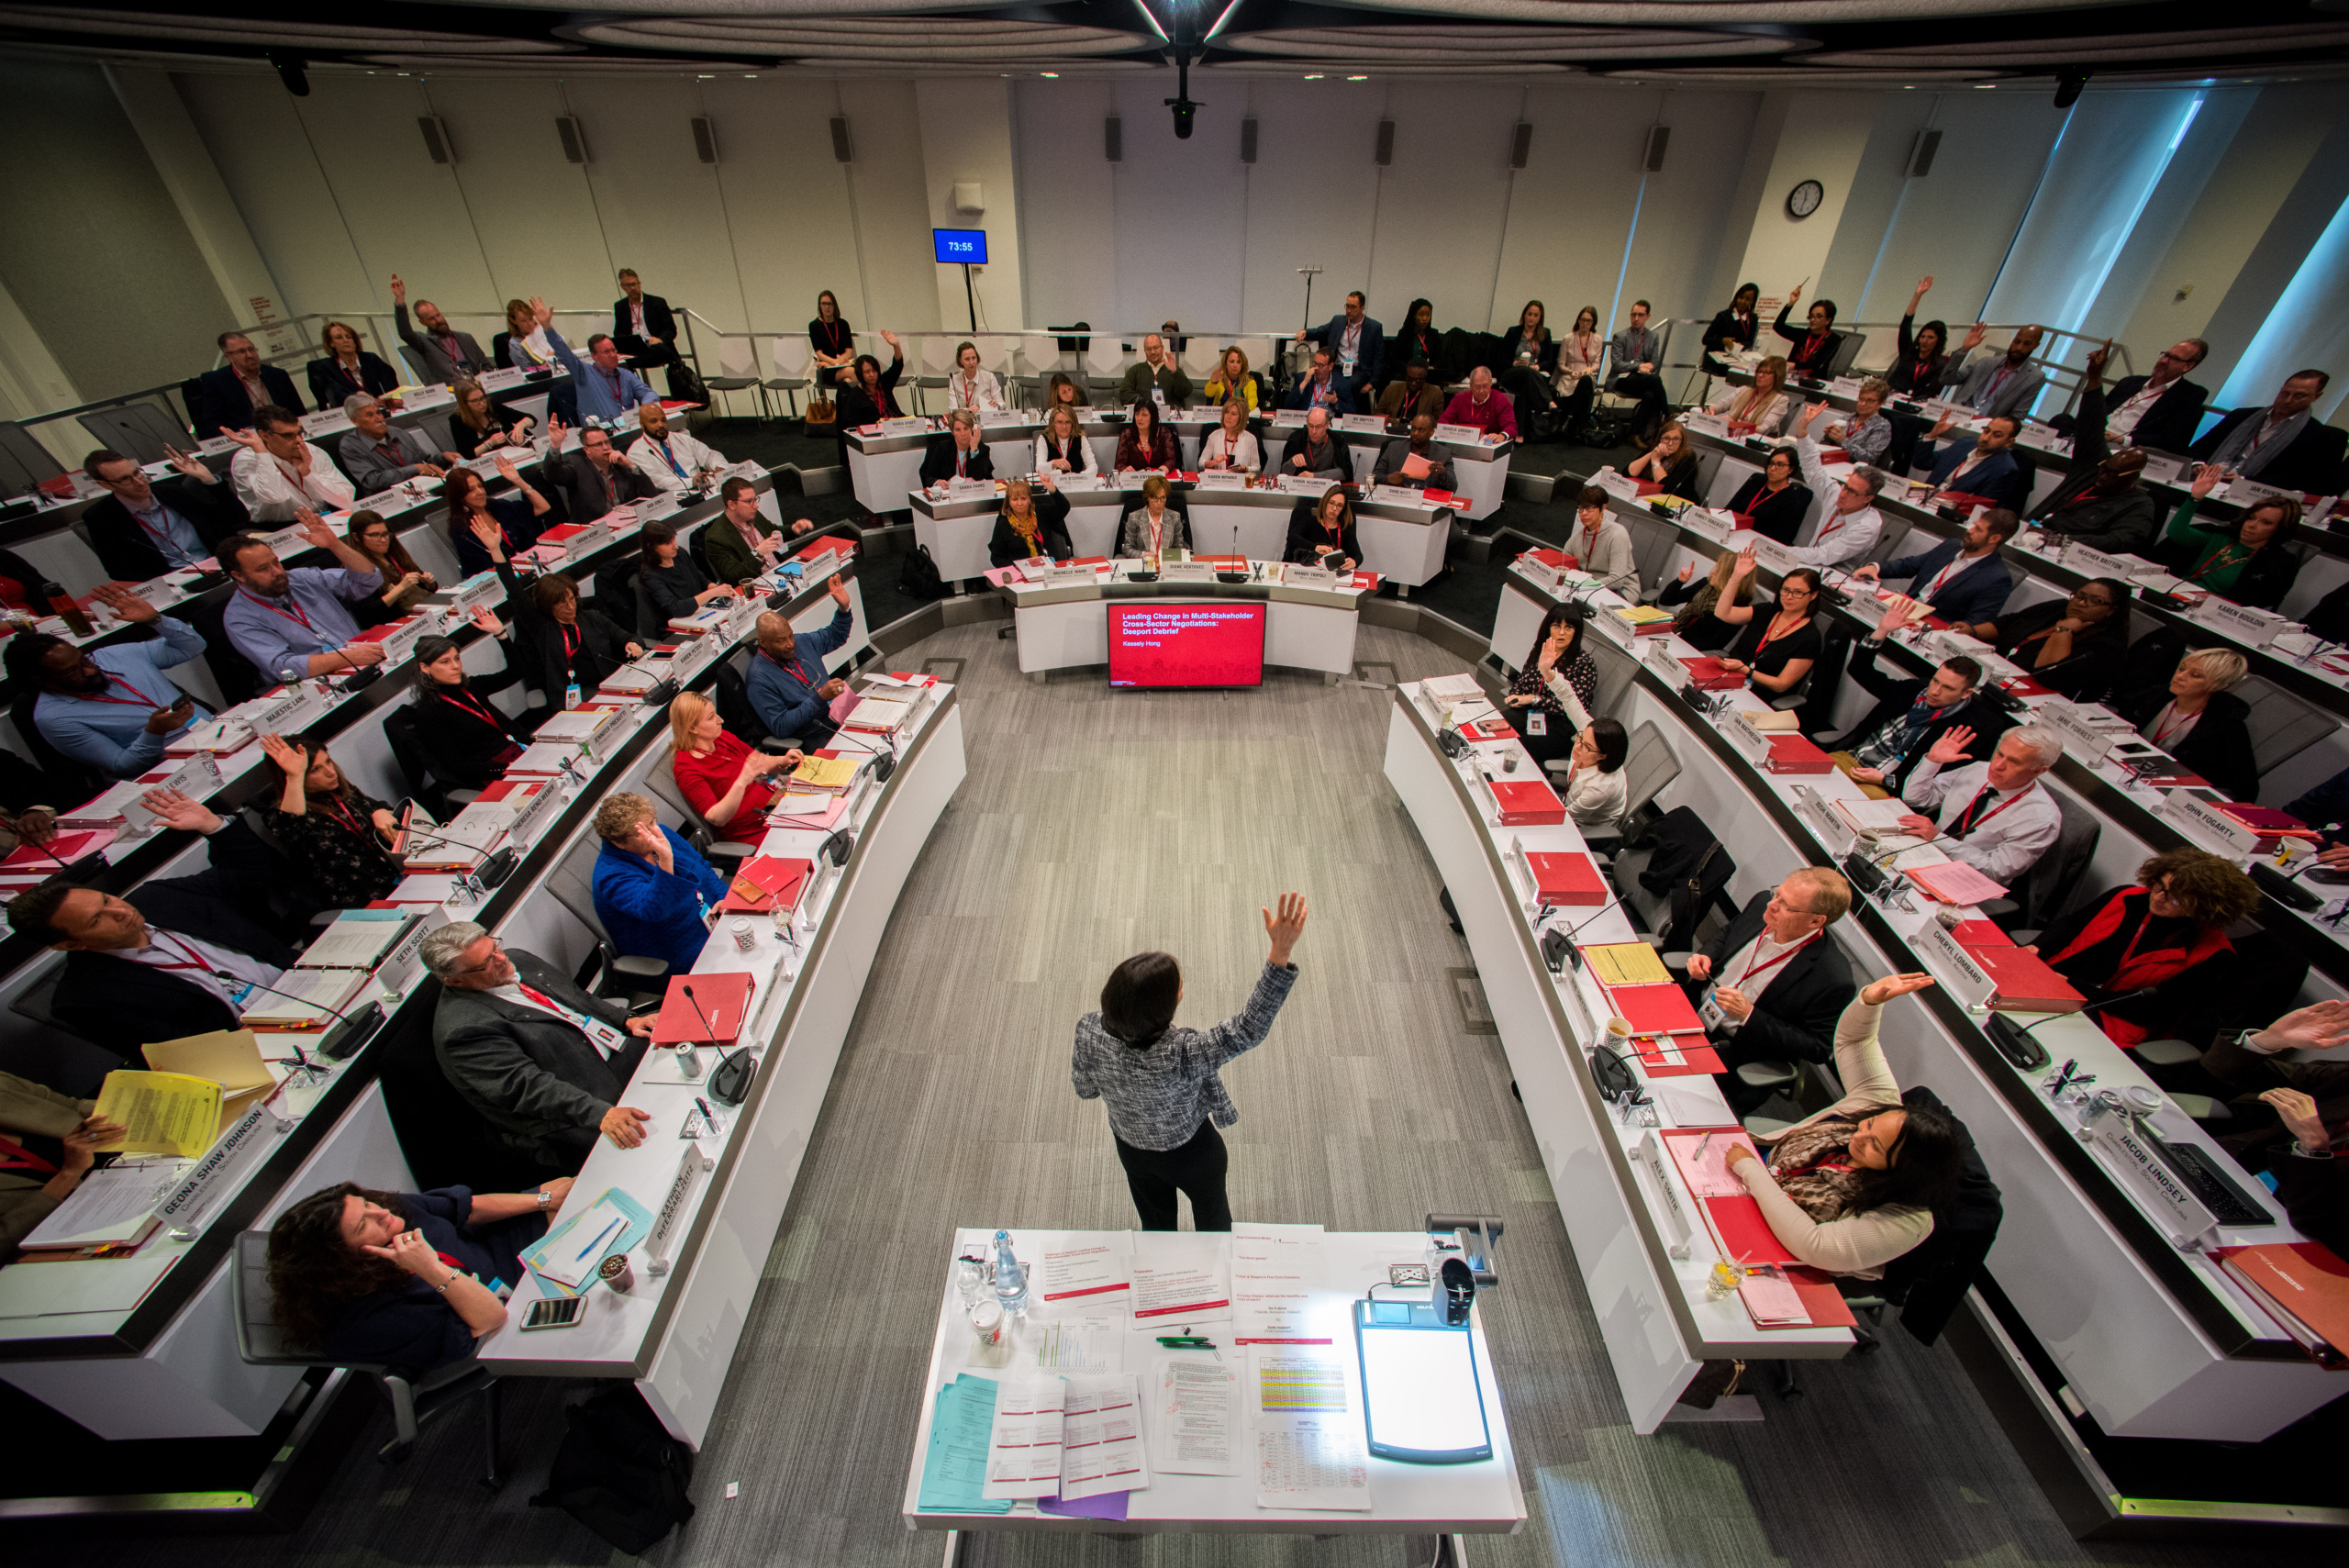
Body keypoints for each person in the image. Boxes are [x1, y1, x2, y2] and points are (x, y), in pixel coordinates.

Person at [1072, 893, 1308, 1231]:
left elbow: (1085, 1090)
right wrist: (1280, 952)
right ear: (1172, 1004)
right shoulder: (1185, 1052)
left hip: (1133, 1152)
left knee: (1156, 1226)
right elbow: (1248, 1028)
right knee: (1212, 1222)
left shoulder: (1088, 1030)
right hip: (1193, 1154)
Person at [6, 788, 303, 1051]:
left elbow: (249, 874)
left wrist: (212, 826)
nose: (121, 912)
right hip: (258, 1043)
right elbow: (184, 1052)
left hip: (302, 979)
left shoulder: (155, 898)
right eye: (97, 920)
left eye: (107, 900)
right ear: (71, 943)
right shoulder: (85, 1000)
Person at [1723, 974, 1965, 1274]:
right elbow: (1855, 1041)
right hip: (1741, 1177)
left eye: (1875, 1145)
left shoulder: (1909, 1218)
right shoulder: (1877, 1100)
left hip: (1776, 1253)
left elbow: (1816, 1246)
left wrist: (1750, 1170)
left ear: (1902, 1169)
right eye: (1869, 1125)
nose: (1860, 1135)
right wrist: (1869, 1001)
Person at [424, 922, 658, 1173]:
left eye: (495, 948)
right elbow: (531, 1089)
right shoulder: (463, 1030)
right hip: (581, 1102)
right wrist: (600, 1113)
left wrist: (626, 1019)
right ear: (456, 980)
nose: (501, 959)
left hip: (614, 1048)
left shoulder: (517, 958)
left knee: (690, 1044)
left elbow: (578, 998)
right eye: (487, 962)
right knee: (655, 1144)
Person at [264, 1179, 562, 1371]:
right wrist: (430, 1268)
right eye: (362, 1225)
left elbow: (466, 1209)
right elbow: (491, 1318)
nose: (379, 1212)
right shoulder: (365, 1319)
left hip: (491, 1243)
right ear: (342, 1261)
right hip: (497, 1305)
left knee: (570, 1187)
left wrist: (544, 1199)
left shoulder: (388, 1212)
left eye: (366, 1204)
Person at [2028, 848, 2258, 1049]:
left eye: (2175, 899)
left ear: (2203, 908)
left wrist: (2073, 986)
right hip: (2052, 982)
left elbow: (2153, 1011)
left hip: (2110, 1016)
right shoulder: (2127, 896)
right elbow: (2068, 926)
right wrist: (2036, 948)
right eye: (2159, 885)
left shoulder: (2213, 953)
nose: (2158, 897)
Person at [1685, 869, 1859, 1113]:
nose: (1772, 904)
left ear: (1816, 921)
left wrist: (1748, 1015)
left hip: (1733, 1052)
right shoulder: (1761, 907)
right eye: (1777, 893)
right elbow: (1726, 933)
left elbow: (1818, 1047)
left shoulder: (1832, 978)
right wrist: (1706, 955)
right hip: (1691, 1011)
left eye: (1786, 904)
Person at [14, 587, 209, 779]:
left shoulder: (113, 655)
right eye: (73, 672)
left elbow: (193, 647)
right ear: (43, 681)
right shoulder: (55, 719)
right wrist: (154, 732)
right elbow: (124, 767)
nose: (90, 670)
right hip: (176, 770)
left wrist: (155, 620)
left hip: (216, 733)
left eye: (84, 660)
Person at [219, 518, 388, 684]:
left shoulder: (301, 578)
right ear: (238, 575)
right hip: (321, 682)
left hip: (366, 657)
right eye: (263, 569)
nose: (278, 572)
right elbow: (284, 668)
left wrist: (334, 544)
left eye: (276, 562)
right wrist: (348, 657)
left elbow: (369, 581)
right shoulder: (239, 617)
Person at [1897, 725, 2065, 884]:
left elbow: (1994, 872)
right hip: (1925, 851)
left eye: (2013, 762)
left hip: (1967, 879)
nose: (1997, 766)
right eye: (1999, 754)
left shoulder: (2041, 819)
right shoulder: (1978, 770)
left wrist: (1938, 838)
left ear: (2038, 771)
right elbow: (1916, 799)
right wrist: (1932, 761)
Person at [2029, 349, 2156, 553]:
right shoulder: (2089, 470)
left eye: (2111, 474)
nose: (2102, 476)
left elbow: (2121, 541)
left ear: (2132, 478)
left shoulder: (2139, 505)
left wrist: (2063, 541)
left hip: (2065, 549)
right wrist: (2094, 377)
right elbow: (2091, 424)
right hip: (2031, 531)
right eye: (2103, 468)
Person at [257, 734, 403, 908]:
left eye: (328, 761)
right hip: (363, 899)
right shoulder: (278, 816)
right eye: (315, 770)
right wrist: (294, 776)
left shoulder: (336, 790)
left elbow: (375, 806)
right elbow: (291, 827)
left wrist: (380, 811)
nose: (330, 771)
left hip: (398, 874)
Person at [590, 793, 728, 976]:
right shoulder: (610, 875)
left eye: (652, 823)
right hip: (677, 948)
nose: (654, 833)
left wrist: (724, 897)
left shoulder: (661, 833)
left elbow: (702, 867)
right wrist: (665, 861)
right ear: (619, 842)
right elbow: (655, 910)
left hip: (714, 919)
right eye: (642, 832)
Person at [1833, 653, 2008, 797]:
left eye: (1948, 688)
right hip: (1850, 759)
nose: (1934, 691)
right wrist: (1880, 633)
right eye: (1935, 681)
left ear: (1966, 693)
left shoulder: (1968, 728)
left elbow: (1938, 784)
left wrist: (1884, 780)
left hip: (1886, 786)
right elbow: (1861, 672)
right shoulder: (1913, 690)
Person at [0, 1074, 126, 1261]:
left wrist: (119, 1116)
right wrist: (69, 1174)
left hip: (125, 1163)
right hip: (74, 1230)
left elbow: (74, 1106)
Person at [78, 445, 246, 580]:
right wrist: (168, 583)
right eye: (125, 479)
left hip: (218, 568)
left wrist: (209, 479)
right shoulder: (101, 517)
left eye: (137, 473)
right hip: (175, 582)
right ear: (105, 485)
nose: (139, 482)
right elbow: (119, 570)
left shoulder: (172, 493)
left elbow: (236, 518)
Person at [2117, 647, 2258, 799]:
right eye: (2182, 668)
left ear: (2217, 685)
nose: (2180, 676)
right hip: (2124, 771)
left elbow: (2244, 789)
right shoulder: (2154, 696)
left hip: (2170, 795)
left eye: (2195, 675)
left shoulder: (2227, 727)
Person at [1958, 578, 2132, 701]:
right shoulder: (2059, 608)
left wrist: (2063, 631)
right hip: (1991, 677)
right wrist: (1972, 630)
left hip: (2024, 703)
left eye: (2095, 601)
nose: (2081, 603)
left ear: (2112, 611)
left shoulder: (2107, 649)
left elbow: (2049, 675)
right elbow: (2008, 622)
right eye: (2080, 596)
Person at [1850, 506, 2020, 630]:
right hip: (1900, 613)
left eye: (1978, 529)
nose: (1969, 530)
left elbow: (1974, 624)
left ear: (1994, 538)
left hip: (1928, 629)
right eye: (1974, 524)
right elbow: (1911, 565)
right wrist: (1877, 568)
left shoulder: (1997, 578)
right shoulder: (1952, 545)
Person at [406, 628, 531, 790]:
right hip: (491, 772)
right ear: (425, 668)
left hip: (518, 751)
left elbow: (516, 672)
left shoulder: (471, 686)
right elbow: (458, 766)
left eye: (457, 659)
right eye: (445, 662)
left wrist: (501, 634)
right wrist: (505, 768)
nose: (455, 666)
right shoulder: (429, 712)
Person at [668, 691, 799, 845]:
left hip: (774, 808)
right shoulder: (687, 769)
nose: (720, 720)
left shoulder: (722, 737)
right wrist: (742, 781)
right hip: (751, 831)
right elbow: (716, 818)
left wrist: (783, 760)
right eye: (711, 718)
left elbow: (760, 761)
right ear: (692, 728)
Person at [501, 560, 640, 702]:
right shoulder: (543, 628)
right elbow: (516, 593)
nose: (570, 607)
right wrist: (496, 552)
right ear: (548, 605)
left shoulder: (591, 617)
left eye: (572, 599)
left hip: (609, 683)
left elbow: (628, 637)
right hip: (574, 695)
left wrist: (632, 644)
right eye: (562, 603)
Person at [2161, 471, 2302, 611]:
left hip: (2214, 611)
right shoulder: (2222, 537)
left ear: (2280, 529)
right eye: (2252, 517)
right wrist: (2195, 499)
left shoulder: (2276, 563)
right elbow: (2176, 533)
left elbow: (2256, 601)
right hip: (2175, 594)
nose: (2252, 525)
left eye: (2266, 523)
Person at [2189, 370, 2343, 495]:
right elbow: (2199, 447)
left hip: (2253, 495)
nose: (2288, 400)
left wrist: (2244, 480)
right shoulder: (2242, 416)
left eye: (2299, 396)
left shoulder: (2317, 435)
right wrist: (2198, 463)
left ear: (2316, 396)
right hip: (2205, 481)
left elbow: (2296, 479)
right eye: (2285, 393)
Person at [746, 575, 855, 744]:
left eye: (790, 636)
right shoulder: (758, 679)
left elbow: (835, 636)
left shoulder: (801, 641)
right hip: (815, 733)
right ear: (763, 643)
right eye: (781, 641)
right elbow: (780, 726)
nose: (790, 644)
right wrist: (819, 698)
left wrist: (844, 608)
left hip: (839, 713)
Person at [1502, 603, 1598, 769]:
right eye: (1556, 626)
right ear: (1548, 627)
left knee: (1519, 747)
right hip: (1530, 712)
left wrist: (1533, 699)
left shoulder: (1584, 663)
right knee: (1496, 729)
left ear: (1577, 631)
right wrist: (1516, 695)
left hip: (1561, 725)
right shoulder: (1541, 649)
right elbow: (1523, 679)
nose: (1561, 632)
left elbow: (1571, 706)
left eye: (1568, 627)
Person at [227, 404, 356, 519]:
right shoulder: (246, 459)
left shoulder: (311, 450)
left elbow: (347, 499)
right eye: (288, 435)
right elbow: (274, 496)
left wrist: (308, 474)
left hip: (326, 517)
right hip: (278, 530)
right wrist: (262, 452)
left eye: (300, 433)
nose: (299, 440)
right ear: (264, 435)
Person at [1717, 568, 1824, 697]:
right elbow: (1722, 613)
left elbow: (1781, 685)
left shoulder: (1810, 638)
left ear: (1813, 595)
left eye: (1798, 593)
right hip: (1726, 679)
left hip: (1758, 695)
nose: (1789, 597)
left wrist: (1746, 671)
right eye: (1785, 590)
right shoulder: (1767, 610)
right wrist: (1736, 577)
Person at [445, 456, 550, 577]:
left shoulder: (497, 506)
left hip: (528, 566)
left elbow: (542, 507)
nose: (480, 492)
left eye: (480, 486)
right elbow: (482, 567)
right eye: (471, 490)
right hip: (501, 577)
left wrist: (518, 480)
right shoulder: (461, 529)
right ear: (460, 497)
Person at [1787, 438, 1885, 568]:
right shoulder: (1836, 495)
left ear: (1867, 499)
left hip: (1834, 574)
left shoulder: (1867, 527)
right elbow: (1814, 470)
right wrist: (1803, 434)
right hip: (1810, 562)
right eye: (1845, 486)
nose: (1843, 494)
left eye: (1852, 492)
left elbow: (1825, 555)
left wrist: (1780, 550)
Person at [340, 395, 460, 496]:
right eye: (370, 415)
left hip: (424, 491)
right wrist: (415, 469)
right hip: (391, 499)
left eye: (378, 413)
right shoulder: (350, 445)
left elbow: (425, 463)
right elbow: (372, 481)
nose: (379, 419)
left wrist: (443, 458)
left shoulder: (397, 432)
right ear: (355, 421)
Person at [2103, 339, 2210, 453]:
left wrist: (2122, 439)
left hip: (2125, 450)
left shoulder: (2190, 395)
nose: (2163, 361)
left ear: (2187, 367)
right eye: (2165, 355)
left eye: (2173, 359)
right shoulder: (2130, 382)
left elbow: (2168, 437)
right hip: (2094, 438)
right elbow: (2097, 411)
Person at [191, 330, 303, 439]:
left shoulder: (277, 375)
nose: (250, 355)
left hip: (286, 434)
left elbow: (299, 411)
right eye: (241, 351)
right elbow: (212, 421)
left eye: (251, 349)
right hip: (248, 439)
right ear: (228, 357)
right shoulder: (216, 381)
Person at [547, 418, 657, 525]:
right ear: (587, 450)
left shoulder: (621, 466)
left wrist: (631, 465)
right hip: (595, 531)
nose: (605, 447)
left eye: (607, 442)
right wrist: (555, 446)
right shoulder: (577, 465)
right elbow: (553, 475)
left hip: (628, 524)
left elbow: (651, 494)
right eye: (599, 444)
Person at [1939, 321, 2046, 422]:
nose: (2019, 348)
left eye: (2027, 344)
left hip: (1986, 428)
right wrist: (1964, 350)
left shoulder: (2035, 377)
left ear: (2036, 345)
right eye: (2017, 341)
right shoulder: (1986, 363)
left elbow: (2017, 416)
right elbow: (1946, 379)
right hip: (1956, 417)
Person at [1659, 546, 1760, 651]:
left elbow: (1715, 644)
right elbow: (1666, 600)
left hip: (1692, 651)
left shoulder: (1738, 607)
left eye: (1719, 570)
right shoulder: (1706, 584)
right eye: (1716, 566)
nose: (1713, 571)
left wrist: (1678, 646)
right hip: (1675, 637)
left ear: (1729, 576)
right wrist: (1680, 581)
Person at [390, 275, 487, 383]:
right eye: (432, 318)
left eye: (438, 315)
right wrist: (400, 300)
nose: (439, 320)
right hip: (452, 391)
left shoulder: (465, 338)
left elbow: (486, 365)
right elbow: (405, 333)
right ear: (423, 322)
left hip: (477, 386)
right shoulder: (424, 342)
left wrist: (485, 374)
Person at [638, 520, 733, 628]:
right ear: (651, 547)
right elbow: (676, 608)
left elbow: (701, 579)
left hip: (700, 614)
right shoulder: (650, 576)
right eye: (668, 543)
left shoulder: (680, 554)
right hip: (677, 626)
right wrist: (712, 593)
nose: (675, 546)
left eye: (674, 539)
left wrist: (720, 589)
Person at [705, 475, 798, 584]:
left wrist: (794, 529)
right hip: (759, 586)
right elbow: (732, 577)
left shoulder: (752, 515)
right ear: (732, 504)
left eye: (755, 499)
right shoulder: (716, 538)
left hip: (781, 573)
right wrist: (757, 554)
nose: (756, 506)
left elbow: (773, 531)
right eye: (749, 501)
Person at [1297, 291, 1382, 406]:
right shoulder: (1338, 321)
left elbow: (1379, 357)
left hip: (1359, 369)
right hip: (1337, 367)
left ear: (1362, 308)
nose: (1349, 310)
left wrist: (1373, 382)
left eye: (1353, 307)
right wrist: (1305, 332)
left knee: (1350, 384)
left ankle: (1346, 412)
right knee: (1329, 380)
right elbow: (1321, 331)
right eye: (1347, 306)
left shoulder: (1374, 327)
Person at [1920, 413, 2023, 507]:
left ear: (2009, 442)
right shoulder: (1964, 444)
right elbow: (1923, 463)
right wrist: (1932, 435)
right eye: (1986, 431)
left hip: (1947, 513)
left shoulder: (2005, 469)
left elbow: (1980, 507)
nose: (1986, 438)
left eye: (1997, 435)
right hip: (1920, 499)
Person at [1606, 300, 1668, 441]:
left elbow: (1654, 362)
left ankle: (1635, 434)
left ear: (1648, 316)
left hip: (1642, 380)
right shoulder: (1620, 336)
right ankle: (1668, 415)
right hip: (1622, 379)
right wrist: (1638, 367)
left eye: (1640, 315)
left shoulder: (1653, 337)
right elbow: (1617, 364)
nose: (1636, 318)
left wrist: (1649, 367)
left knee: (1650, 395)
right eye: (1633, 315)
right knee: (1656, 380)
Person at [305, 320, 400, 412]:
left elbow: (390, 383)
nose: (346, 340)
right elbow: (335, 395)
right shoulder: (326, 367)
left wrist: (389, 399)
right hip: (351, 413)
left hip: (379, 409)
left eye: (349, 337)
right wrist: (357, 395)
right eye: (339, 337)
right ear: (331, 343)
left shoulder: (370, 358)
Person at [628, 403, 724, 495]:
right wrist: (691, 482)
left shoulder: (680, 438)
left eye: (663, 420)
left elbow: (710, 455)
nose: (661, 425)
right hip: (672, 495)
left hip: (704, 487)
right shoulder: (636, 452)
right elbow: (656, 481)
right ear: (642, 425)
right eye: (654, 421)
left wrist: (719, 466)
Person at [1724, 447, 1812, 545]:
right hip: (1732, 534)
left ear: (1791, 469)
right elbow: (1729, 509)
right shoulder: (1756, 480)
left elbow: (1782, 538)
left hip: (1757, 544)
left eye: (1780, 465)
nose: (1773, 468)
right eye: (1771, 463)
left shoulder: (1792, 497)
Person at [610, 269, 683, 384]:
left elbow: (671, 329)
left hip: (654, 345)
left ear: (639, 284)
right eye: (628, 285)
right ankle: (636, 392)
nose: (632, 288)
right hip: (635, 348)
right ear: (623, 287)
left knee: (661, 349)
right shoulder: (620, 306)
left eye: (634, 284)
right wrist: (628, 341)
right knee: (614, 360)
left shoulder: (657, 302)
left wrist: (660, 339)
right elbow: (618, 332)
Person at [1496, 300, 1557, 428]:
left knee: (1526, 386)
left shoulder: (1545, 334)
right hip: (1512, 373)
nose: (1531, 318)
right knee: (1526, 371)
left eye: (1536, 315)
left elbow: (1549, 361)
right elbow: (1500, 358)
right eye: (1529, 314)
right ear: (1524, 314)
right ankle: (1549, 402)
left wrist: (1538, 366)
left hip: (1533, 374)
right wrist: (1516, 363)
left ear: (1540, 318)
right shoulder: (1513, 332)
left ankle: (1520, 433)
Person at [1564, 485, 1637, 590]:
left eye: (1589, 508)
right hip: (1588, 588)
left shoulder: (1617, 534)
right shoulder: (1577, 538)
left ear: (1603, 508)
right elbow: (1563, 565)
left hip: (1622, 590)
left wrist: (1584, 585)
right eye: (1581, 508)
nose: (1584, 513)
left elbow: (1617, 580)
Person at [991, 477, 1074, 568]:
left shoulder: (1041, 512)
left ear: (1029, 499)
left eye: (1023, 499)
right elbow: (996, 557)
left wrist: (1053, 490)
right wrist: (1015, 568)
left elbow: (1064, 507)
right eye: (1015, 499)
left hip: (1048, 568)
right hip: (1020, 572)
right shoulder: (1003, 524)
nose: (1019, 503)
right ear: (1009, 502)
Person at [1886, 279, 1949, 395]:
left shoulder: (1939, 364)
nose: (1924, 341)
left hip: (1911, 402)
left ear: (1938, 341)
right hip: (1889, 394)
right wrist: (1917, 295)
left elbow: (1931, 391)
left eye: (1930, 338)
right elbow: (1905, 325)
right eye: (1922, 336)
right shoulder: (1908, 352)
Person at [447, 377, 534, 460]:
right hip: (489, 461)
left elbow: (532, 419)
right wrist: (490, 443)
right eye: (475, 401)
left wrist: (521, 425)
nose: (482, 403)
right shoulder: (457, 420)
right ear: (464, 404)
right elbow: (466, 455)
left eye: (482, 398)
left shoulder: (492, 405)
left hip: (516, 454)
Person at [1771, 285, 1843, 381]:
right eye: (1811, 316)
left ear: (1828, 320)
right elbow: (1778, 327)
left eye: (1819, 316)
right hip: (1791, 377)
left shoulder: (1834, 339)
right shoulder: (1804, 334)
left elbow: (1819, 363)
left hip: (1814, 380)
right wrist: (1791, 303)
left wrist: (1795, 365)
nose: (1813, 320)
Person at [1708, 356, 1792, 437]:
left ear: (1777, 376)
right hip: (1731, 435)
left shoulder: (1781, 400)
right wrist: (1712, 409)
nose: (1760, 375)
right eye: (1759, 371)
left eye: (1766, 372)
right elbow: (1723, 404)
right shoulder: (1744, 390)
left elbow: (1764, 429)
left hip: (1754, 441)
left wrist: (1735, 425)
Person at [1819, 378, 1894, 468]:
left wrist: (1843, 441)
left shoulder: (1882, 426)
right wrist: (1828, 435)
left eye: (1870, 401)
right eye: (1861, 399)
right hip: (1832, 463)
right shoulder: (1847, 418)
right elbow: (1824, 445)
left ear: (1881, 403)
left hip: (1857, 471)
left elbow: (1869, 458)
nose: (1863, 404)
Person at [836, 334, 907, 426]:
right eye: (867, 372)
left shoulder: (883, 383)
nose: (872, 375)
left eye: (874, 371)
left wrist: (896, 346)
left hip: (896, 424)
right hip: (874, 431)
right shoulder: (855, 395)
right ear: (860, 374)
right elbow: (851, 423)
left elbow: (897, 367)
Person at [1285, 488, 1361, 573]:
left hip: (1333, 573)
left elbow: (1358, 556)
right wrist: (1315, 547)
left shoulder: (1345, 528)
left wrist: (1354, 562)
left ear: (1343, 508)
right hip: (1308, 570)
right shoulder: (1310, 521)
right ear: (1325, 503)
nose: (1334, 508)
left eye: (1339, 505)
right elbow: (1292, 537)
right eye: (1331, 503)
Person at [1555, 306, 1605, 432]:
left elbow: (1597, 364)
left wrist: (1586, 371)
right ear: (1578, 320)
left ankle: (1571, 417)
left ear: (1593, 323)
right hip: (1570, 373)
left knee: (1585, 381)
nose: (1585, 323)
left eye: (1588, 321)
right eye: (1583, 320)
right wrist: (1571, 372)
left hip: (1587, 374)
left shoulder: (1597, 339)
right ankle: (1576, 423)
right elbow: (1561, 364)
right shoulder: (1568, 338)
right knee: (1580, 386)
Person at [1373, 413, 1452, 491]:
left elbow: (1453, 487)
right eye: (1413, 429)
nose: (1415, 433)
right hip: (1398, 498)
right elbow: (1373, 478)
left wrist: (1443, 473)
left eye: (1421, 430)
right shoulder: (1394, 448)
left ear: (1431, 432)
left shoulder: (1443, 454)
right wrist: (1388, 479)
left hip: (1425, 500)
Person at [1625, 420, 1701, 500]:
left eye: (1676, 439)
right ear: (1660, 439)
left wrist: (1656, 461)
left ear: (1682, 441)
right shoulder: (1653, 449)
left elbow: (1666, 489)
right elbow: (1628, 473)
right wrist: (1652, 454)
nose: (1671, 443)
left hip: (1674, 503)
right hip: (1647, 497)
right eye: (1666, 438)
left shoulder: (1688, 457)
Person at [1119, 475, 1188, 561]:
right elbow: (1127, 548)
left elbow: (1178, 547)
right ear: (1147, 498)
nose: (1159, 503)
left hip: (1166, 565)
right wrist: (1143, 555)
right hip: (1145, 564)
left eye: (1162, 498)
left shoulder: (1174, 517)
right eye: (1155, 498)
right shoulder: (1134, 518)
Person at [920, 408, 995, 487]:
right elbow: (927, 476)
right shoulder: (941, 449)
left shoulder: (981, 449)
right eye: (958, 430)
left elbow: (980, 479)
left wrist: (974, 451)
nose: (963, 434)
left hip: (973, 495)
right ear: (952, 431)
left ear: (972, 429)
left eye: (966, 429)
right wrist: (937, 482)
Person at [1441, 366, 1518, 440]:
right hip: (1464, 440)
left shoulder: (1500, 399)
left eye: (1485, 386)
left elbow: (1511, 425)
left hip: (1489, 442)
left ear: (1491, 383)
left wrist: (1502, 436)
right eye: (1477, 387)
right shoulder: (1460, 398)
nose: (1481, 391)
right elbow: (1444, 420)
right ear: (1470, 386)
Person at [1119, 333, 1193, 409]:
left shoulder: (1173, 370)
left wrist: (1175, 373)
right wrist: (1145, 403)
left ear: (1162, 348)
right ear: (1145, 351)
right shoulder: (1135, 370)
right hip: (1144, 416)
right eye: (1149, 349)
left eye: (1156, 348)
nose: (1153, 352)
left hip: (1170, 417)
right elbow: (1124, 394)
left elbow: (1186, 392)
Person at [1280, 407, 1353, 481]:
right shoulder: (1296, 438)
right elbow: (1284, 472)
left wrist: (1314, 476)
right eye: (1311, 426)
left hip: (1328, 488)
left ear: (1327, 425)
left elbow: (1343, 473)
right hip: (1300, 486)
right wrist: (1292, 462)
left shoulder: (1338, 440)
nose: (1314, 431)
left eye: (1318, 427)